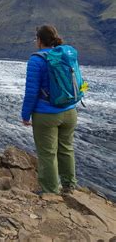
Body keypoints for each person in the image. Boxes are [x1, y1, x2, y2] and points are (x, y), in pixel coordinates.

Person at [21, 25, 78, 195]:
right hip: (70, 111)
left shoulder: (36, 60)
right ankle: (69, 185)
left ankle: (50, 191)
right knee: (66, 148)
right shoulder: (65, 55)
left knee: (47, 153)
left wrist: (25, 115)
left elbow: (31, 92)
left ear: (39, 40)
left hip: (46, 114)